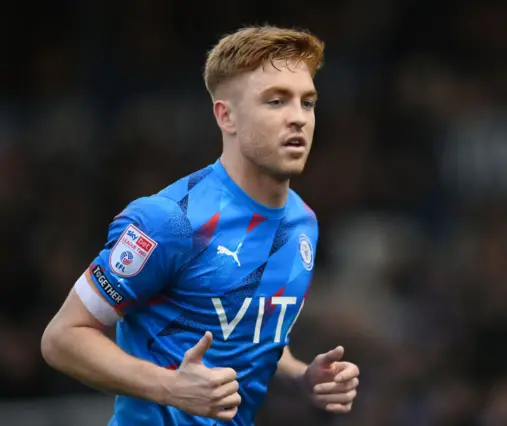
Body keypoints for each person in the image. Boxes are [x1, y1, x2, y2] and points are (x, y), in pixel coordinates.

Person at [41, 25, 360, 425]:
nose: (298, 118)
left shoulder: (302, 224)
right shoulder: (171, 219)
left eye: (307, 103)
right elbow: (62, 338)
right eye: (276, 101)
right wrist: (169, 386)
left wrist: (302, 378)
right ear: (226, 115)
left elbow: (248, 339)